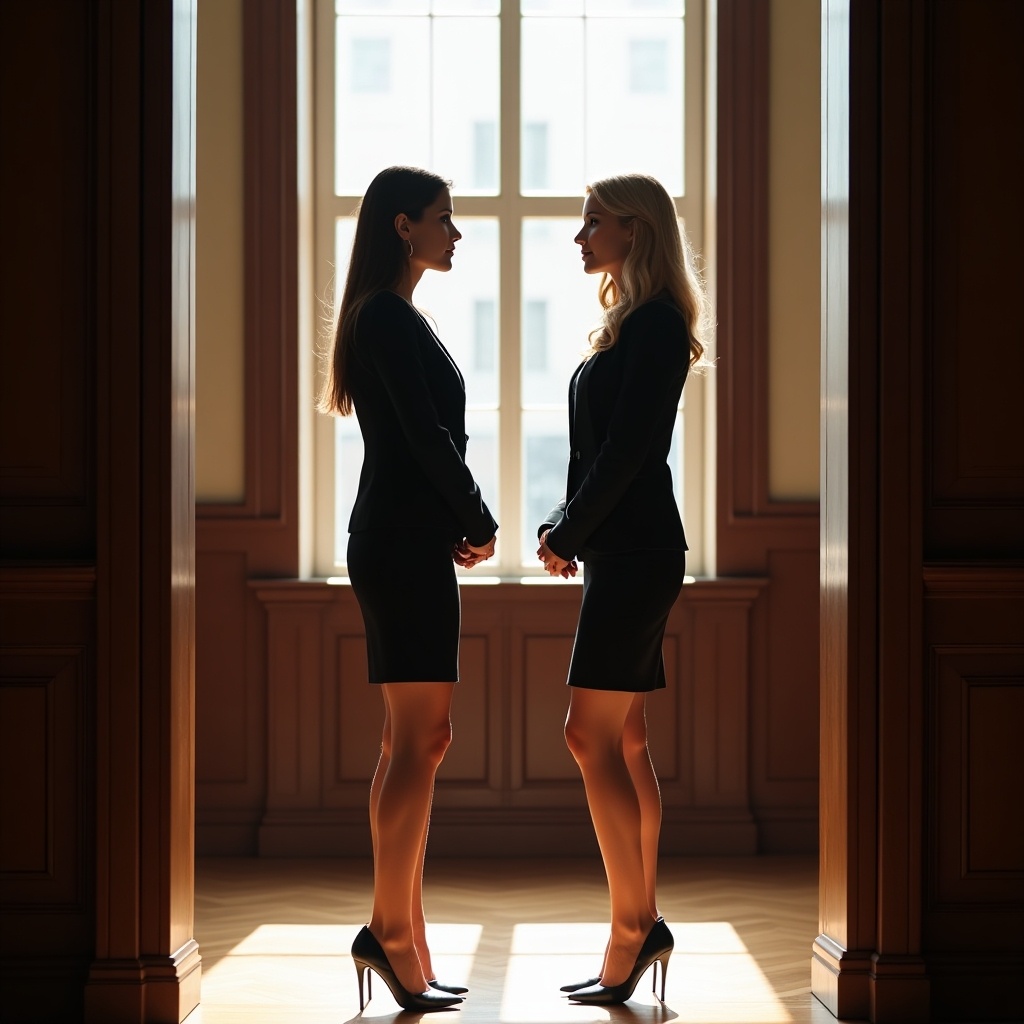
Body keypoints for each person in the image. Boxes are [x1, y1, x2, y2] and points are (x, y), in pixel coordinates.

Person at [317, 165, 497, 1012]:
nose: (455, 233)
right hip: (397, 544)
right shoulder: (386, 315)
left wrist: (449, 523)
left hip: (402, 540)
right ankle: (392, 935)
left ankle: (404, 937)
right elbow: (425, 439)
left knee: (411, 744)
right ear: (402, 227)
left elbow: (415, 440)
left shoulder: (391, 315)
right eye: (443, 218)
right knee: (420, 744)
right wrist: (477, 515)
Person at [537, 172, 709, 1005]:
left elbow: (631, 453)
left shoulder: (658, 326)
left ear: (636, 232)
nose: (580, 237)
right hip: (626, 548)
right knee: (627, 739)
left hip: (637, 551)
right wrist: (567, 524)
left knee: (586, 733)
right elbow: (600, 455)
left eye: (593, 222)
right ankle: (642, 924)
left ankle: (631, 927)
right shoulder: (633, 325)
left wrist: (569, 531)